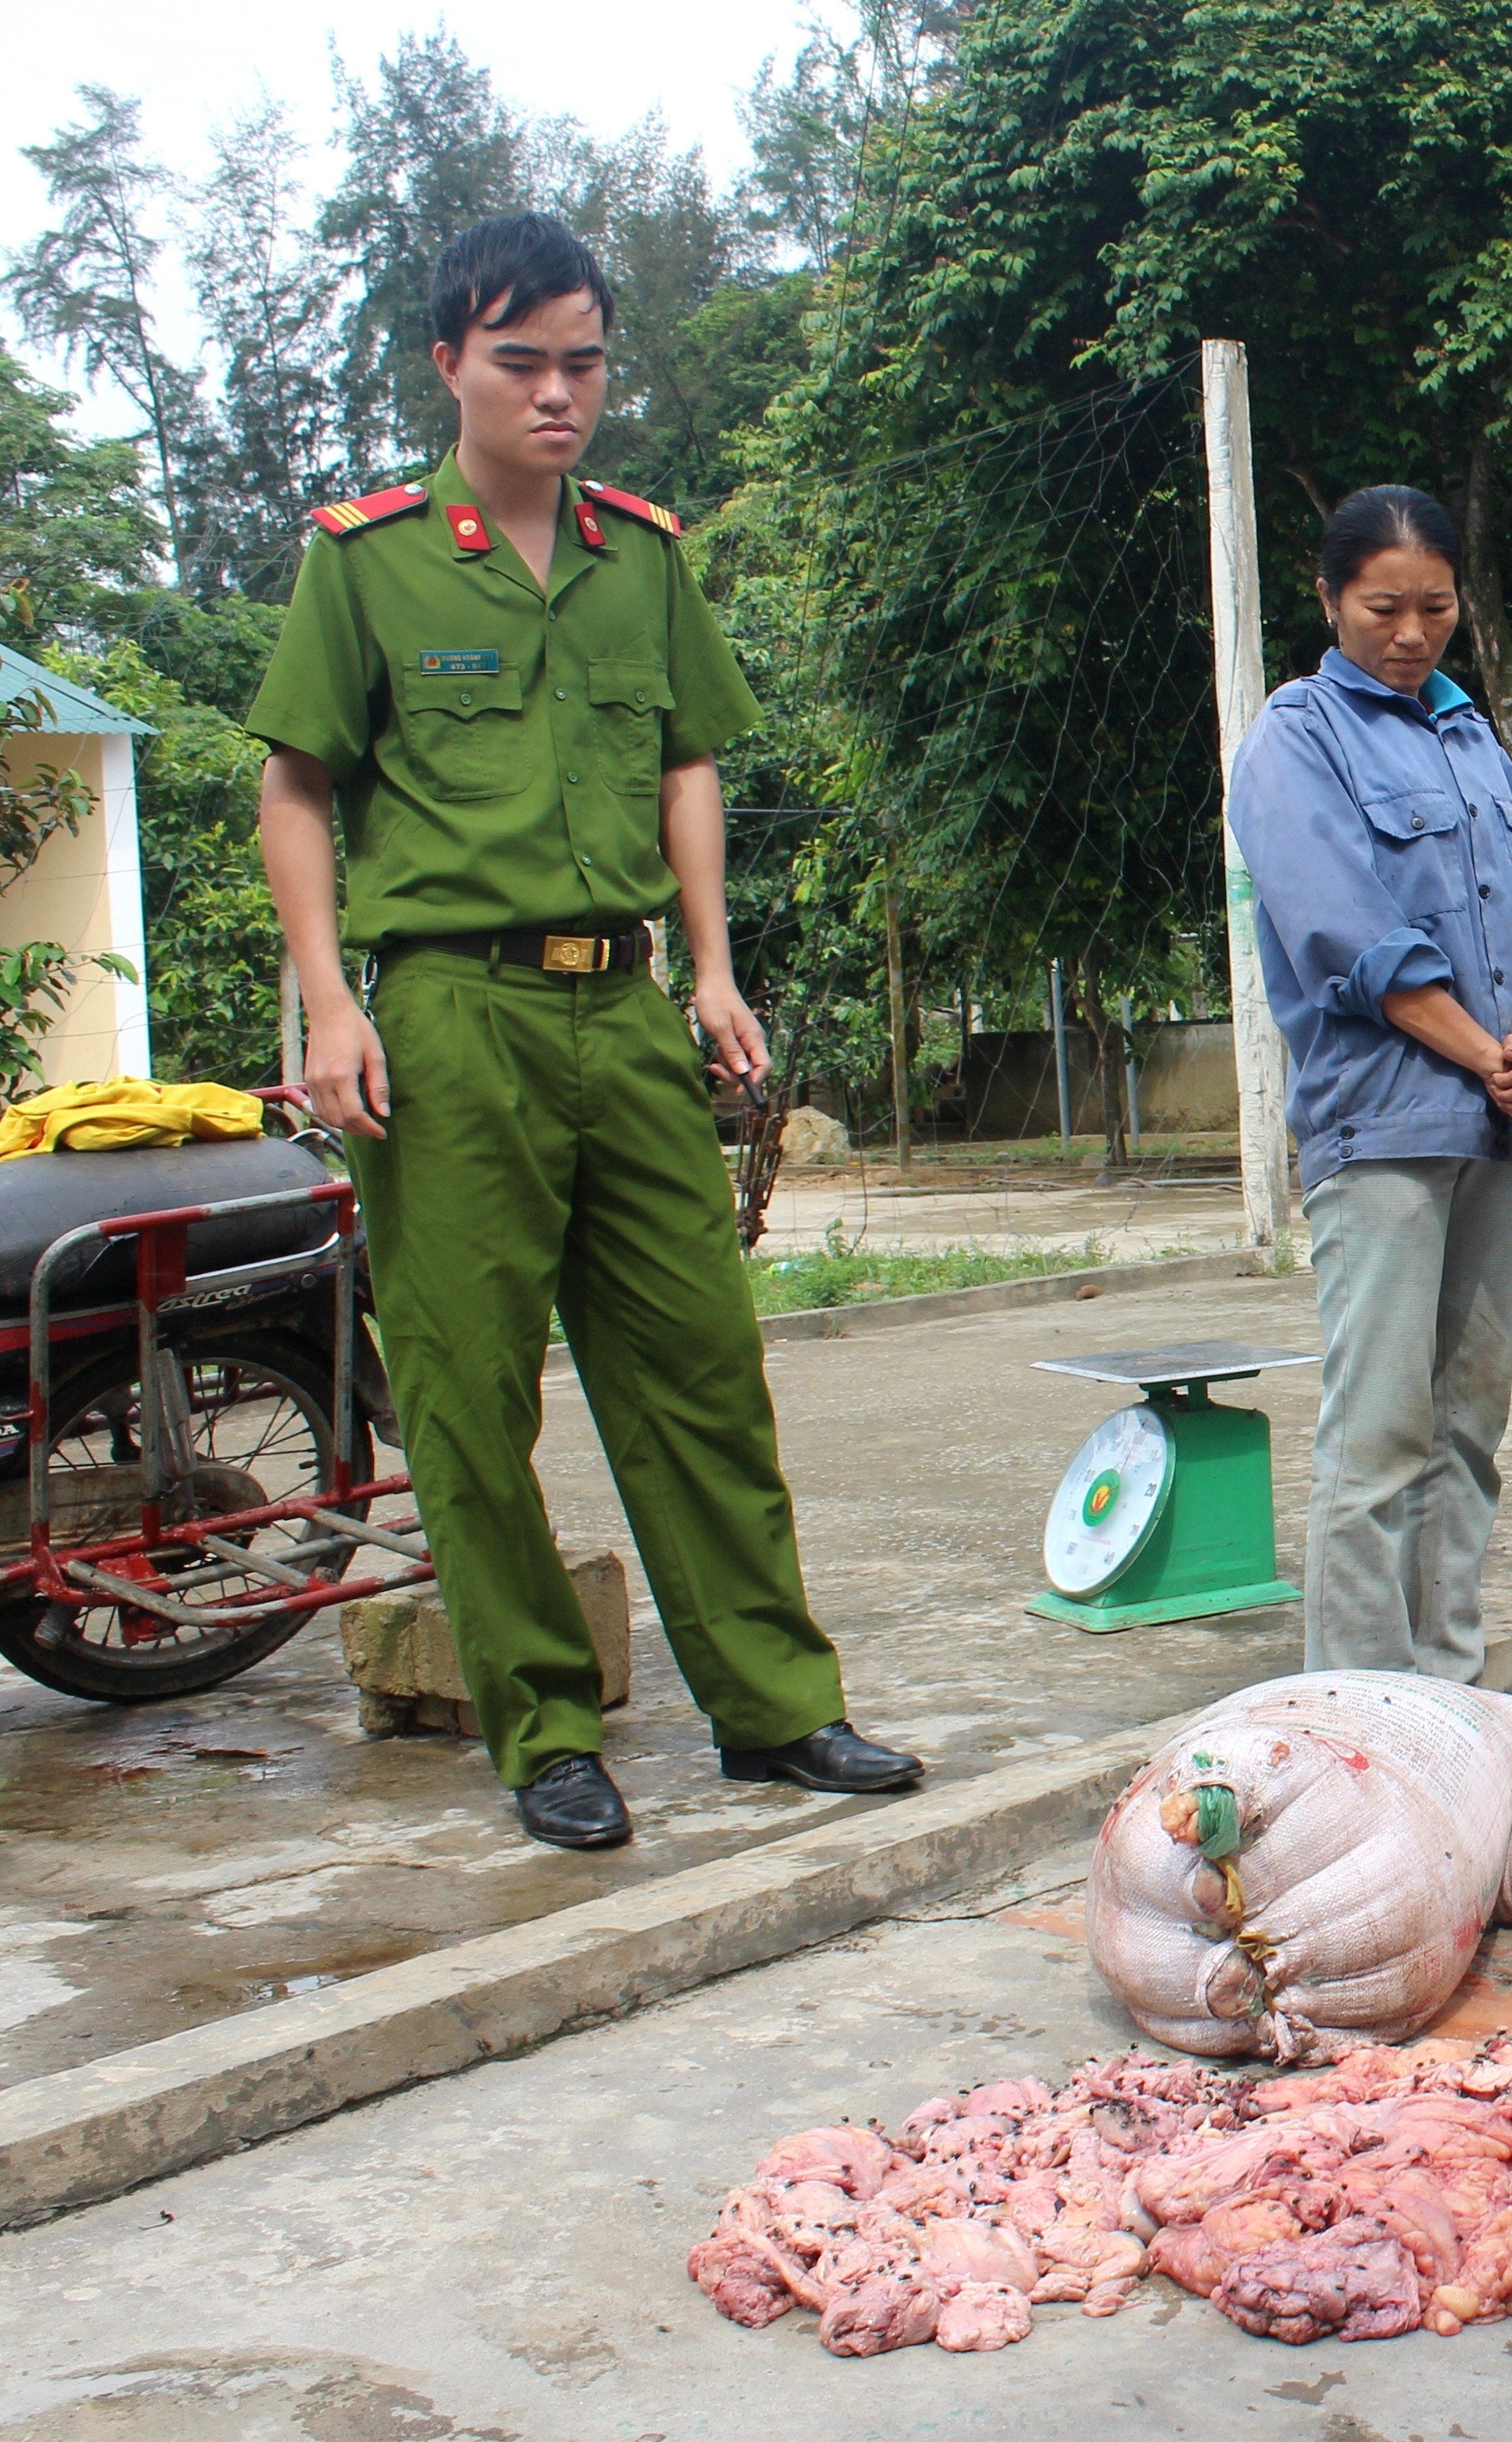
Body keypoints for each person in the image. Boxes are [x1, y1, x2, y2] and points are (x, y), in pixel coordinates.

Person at [247, 213, 920, 1852]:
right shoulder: (370, 555)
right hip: (448, 1014)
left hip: (620, 1005)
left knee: (699, 1364)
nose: (558, 394)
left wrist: (711, 966)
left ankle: (776, 1709)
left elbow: (688, 756)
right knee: (474, 1391)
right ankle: (544, 1727)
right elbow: (297, 783)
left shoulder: (644, 554)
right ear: (449, 367)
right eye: (520, 361)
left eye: (582, 362)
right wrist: (330, 1004)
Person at [1229, 484, 1512, 1678]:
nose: (1411, 633)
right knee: (1379, 1430)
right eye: (1383, 607)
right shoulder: (1295, 738)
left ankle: (1452, 1692)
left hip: (1496, 1128)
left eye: (1435, 608)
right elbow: (1349, 939)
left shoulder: (1471, 735)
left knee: (1468, 1424)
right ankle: (1361, 1710)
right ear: (1328, 598)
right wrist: (1499, 1062)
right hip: (1381, 1131)